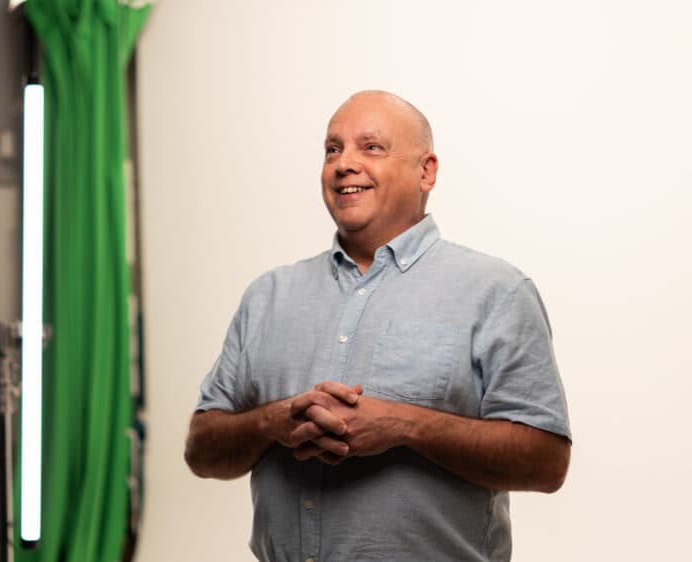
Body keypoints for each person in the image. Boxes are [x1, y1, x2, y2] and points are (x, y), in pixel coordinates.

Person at [184, 90, 571, 562]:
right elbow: (201, 450)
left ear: (426, 171)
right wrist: (273, 422)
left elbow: (547, 462)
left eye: (371, 147)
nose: (344, 164)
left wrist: (404, 426)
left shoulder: (498, 292)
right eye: (332, 149)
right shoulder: (267, 296)